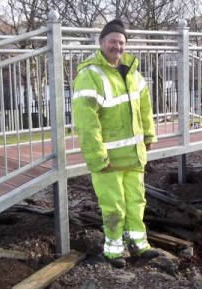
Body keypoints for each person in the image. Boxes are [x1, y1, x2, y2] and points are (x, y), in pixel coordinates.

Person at [72, 19, 159, 268]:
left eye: (121, 42)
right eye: (113, 41)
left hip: (133, 155)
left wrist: (149, 136)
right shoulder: (91, 75)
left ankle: (139, 245)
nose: (117, 46)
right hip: (108, 159)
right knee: (114, 206)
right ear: (101, 43)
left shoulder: (133, 73)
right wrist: (97, 157)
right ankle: (113, 250)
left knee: (136, 201)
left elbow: (145, 109)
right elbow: (86, 122)